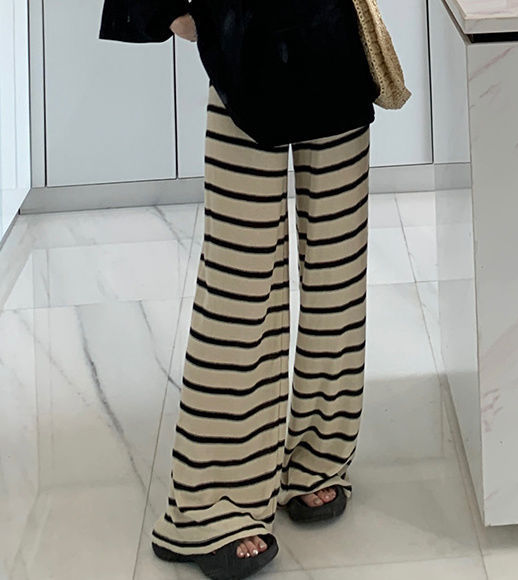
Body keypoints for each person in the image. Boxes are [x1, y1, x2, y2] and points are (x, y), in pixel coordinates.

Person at [100, 2, 378, 578]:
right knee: (239, 279)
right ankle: (213, 504)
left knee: (338, 267)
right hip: (243, 44)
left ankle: (319, 454)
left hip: (336, 41)